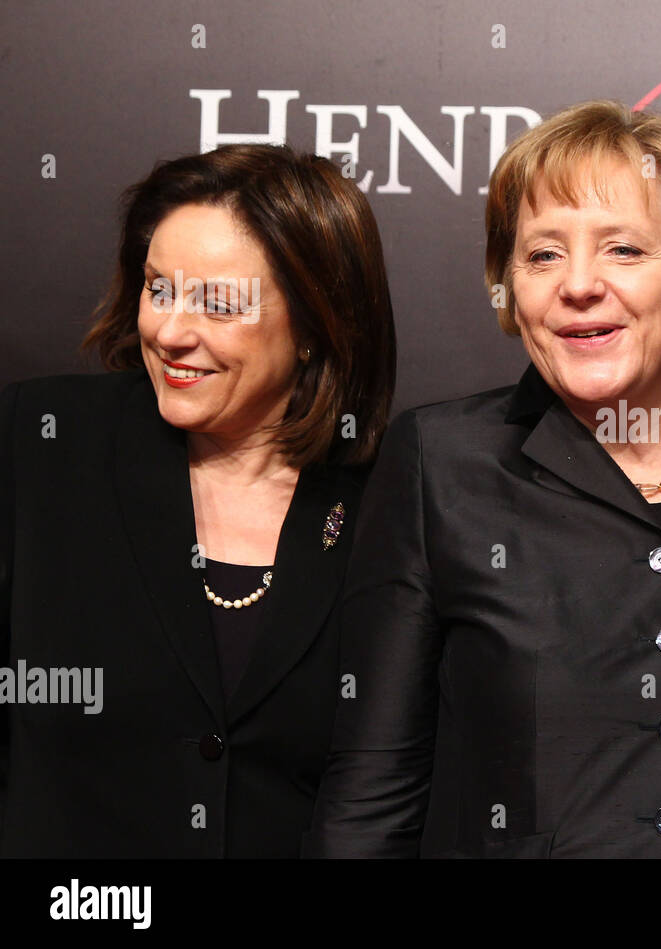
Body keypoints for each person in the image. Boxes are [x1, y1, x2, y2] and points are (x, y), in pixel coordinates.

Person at [305, 100, 661, 858]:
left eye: (623, 250)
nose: (577, 285)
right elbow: (374, 793)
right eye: (541, 256)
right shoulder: (439, 462)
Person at [0, 144, 397, 857]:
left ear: (315, 325)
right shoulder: (38, 444)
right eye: (159, 289)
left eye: (218, 302)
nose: (171, 332)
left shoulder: (389, 502)